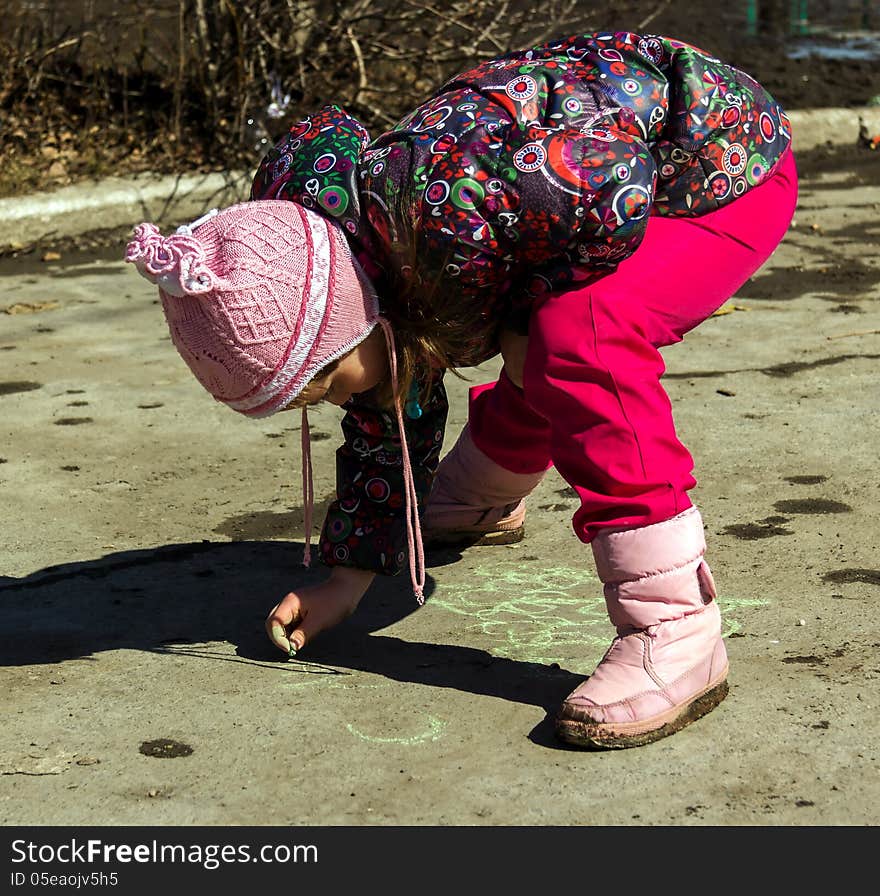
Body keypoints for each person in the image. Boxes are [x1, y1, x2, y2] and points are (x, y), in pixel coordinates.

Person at [125, 31, 797, 749]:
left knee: (578, 330)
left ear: (352, 319)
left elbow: (616, 172)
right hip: (576, 178)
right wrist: (345, 581)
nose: (330, 400)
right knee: (526, 336)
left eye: (322, 379)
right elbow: (387, 403)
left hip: (719, 168)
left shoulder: (450, 210)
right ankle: (485, 491)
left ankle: (677, 627)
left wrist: (528, 315)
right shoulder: (330, 256)